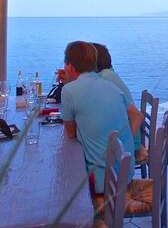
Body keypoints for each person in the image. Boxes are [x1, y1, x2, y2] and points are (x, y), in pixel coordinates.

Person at [59, 41, 139, 208]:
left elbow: (71, 133)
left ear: (70, 67)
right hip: (126, 173)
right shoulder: (111, 86)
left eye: (65, 64)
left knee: (61, 177)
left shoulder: (69, 91)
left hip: (103, 183)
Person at [92, 43, 143, 153]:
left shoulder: (106, 77)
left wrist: (126, 145)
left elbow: (137, 116)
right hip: (118, 138)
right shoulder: (103, 75)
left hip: (126, 143)